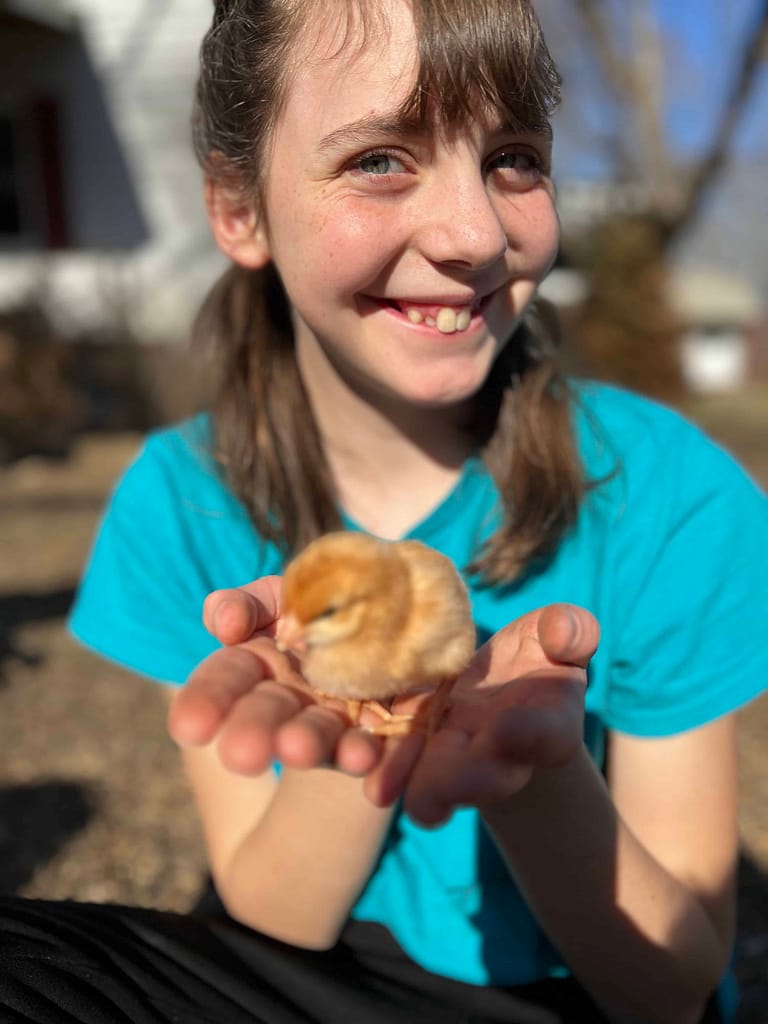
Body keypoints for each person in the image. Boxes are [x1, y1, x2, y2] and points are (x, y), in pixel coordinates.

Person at [2, 0, 766, 1021]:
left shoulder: (669, 493)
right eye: (380, 159)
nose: (476, 233)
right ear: (240, 210)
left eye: (512, 158)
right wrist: (369, 718)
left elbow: (668, 988)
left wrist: (537, 778)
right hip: (317, 971)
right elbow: (274, 913)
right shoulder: (182, 498)